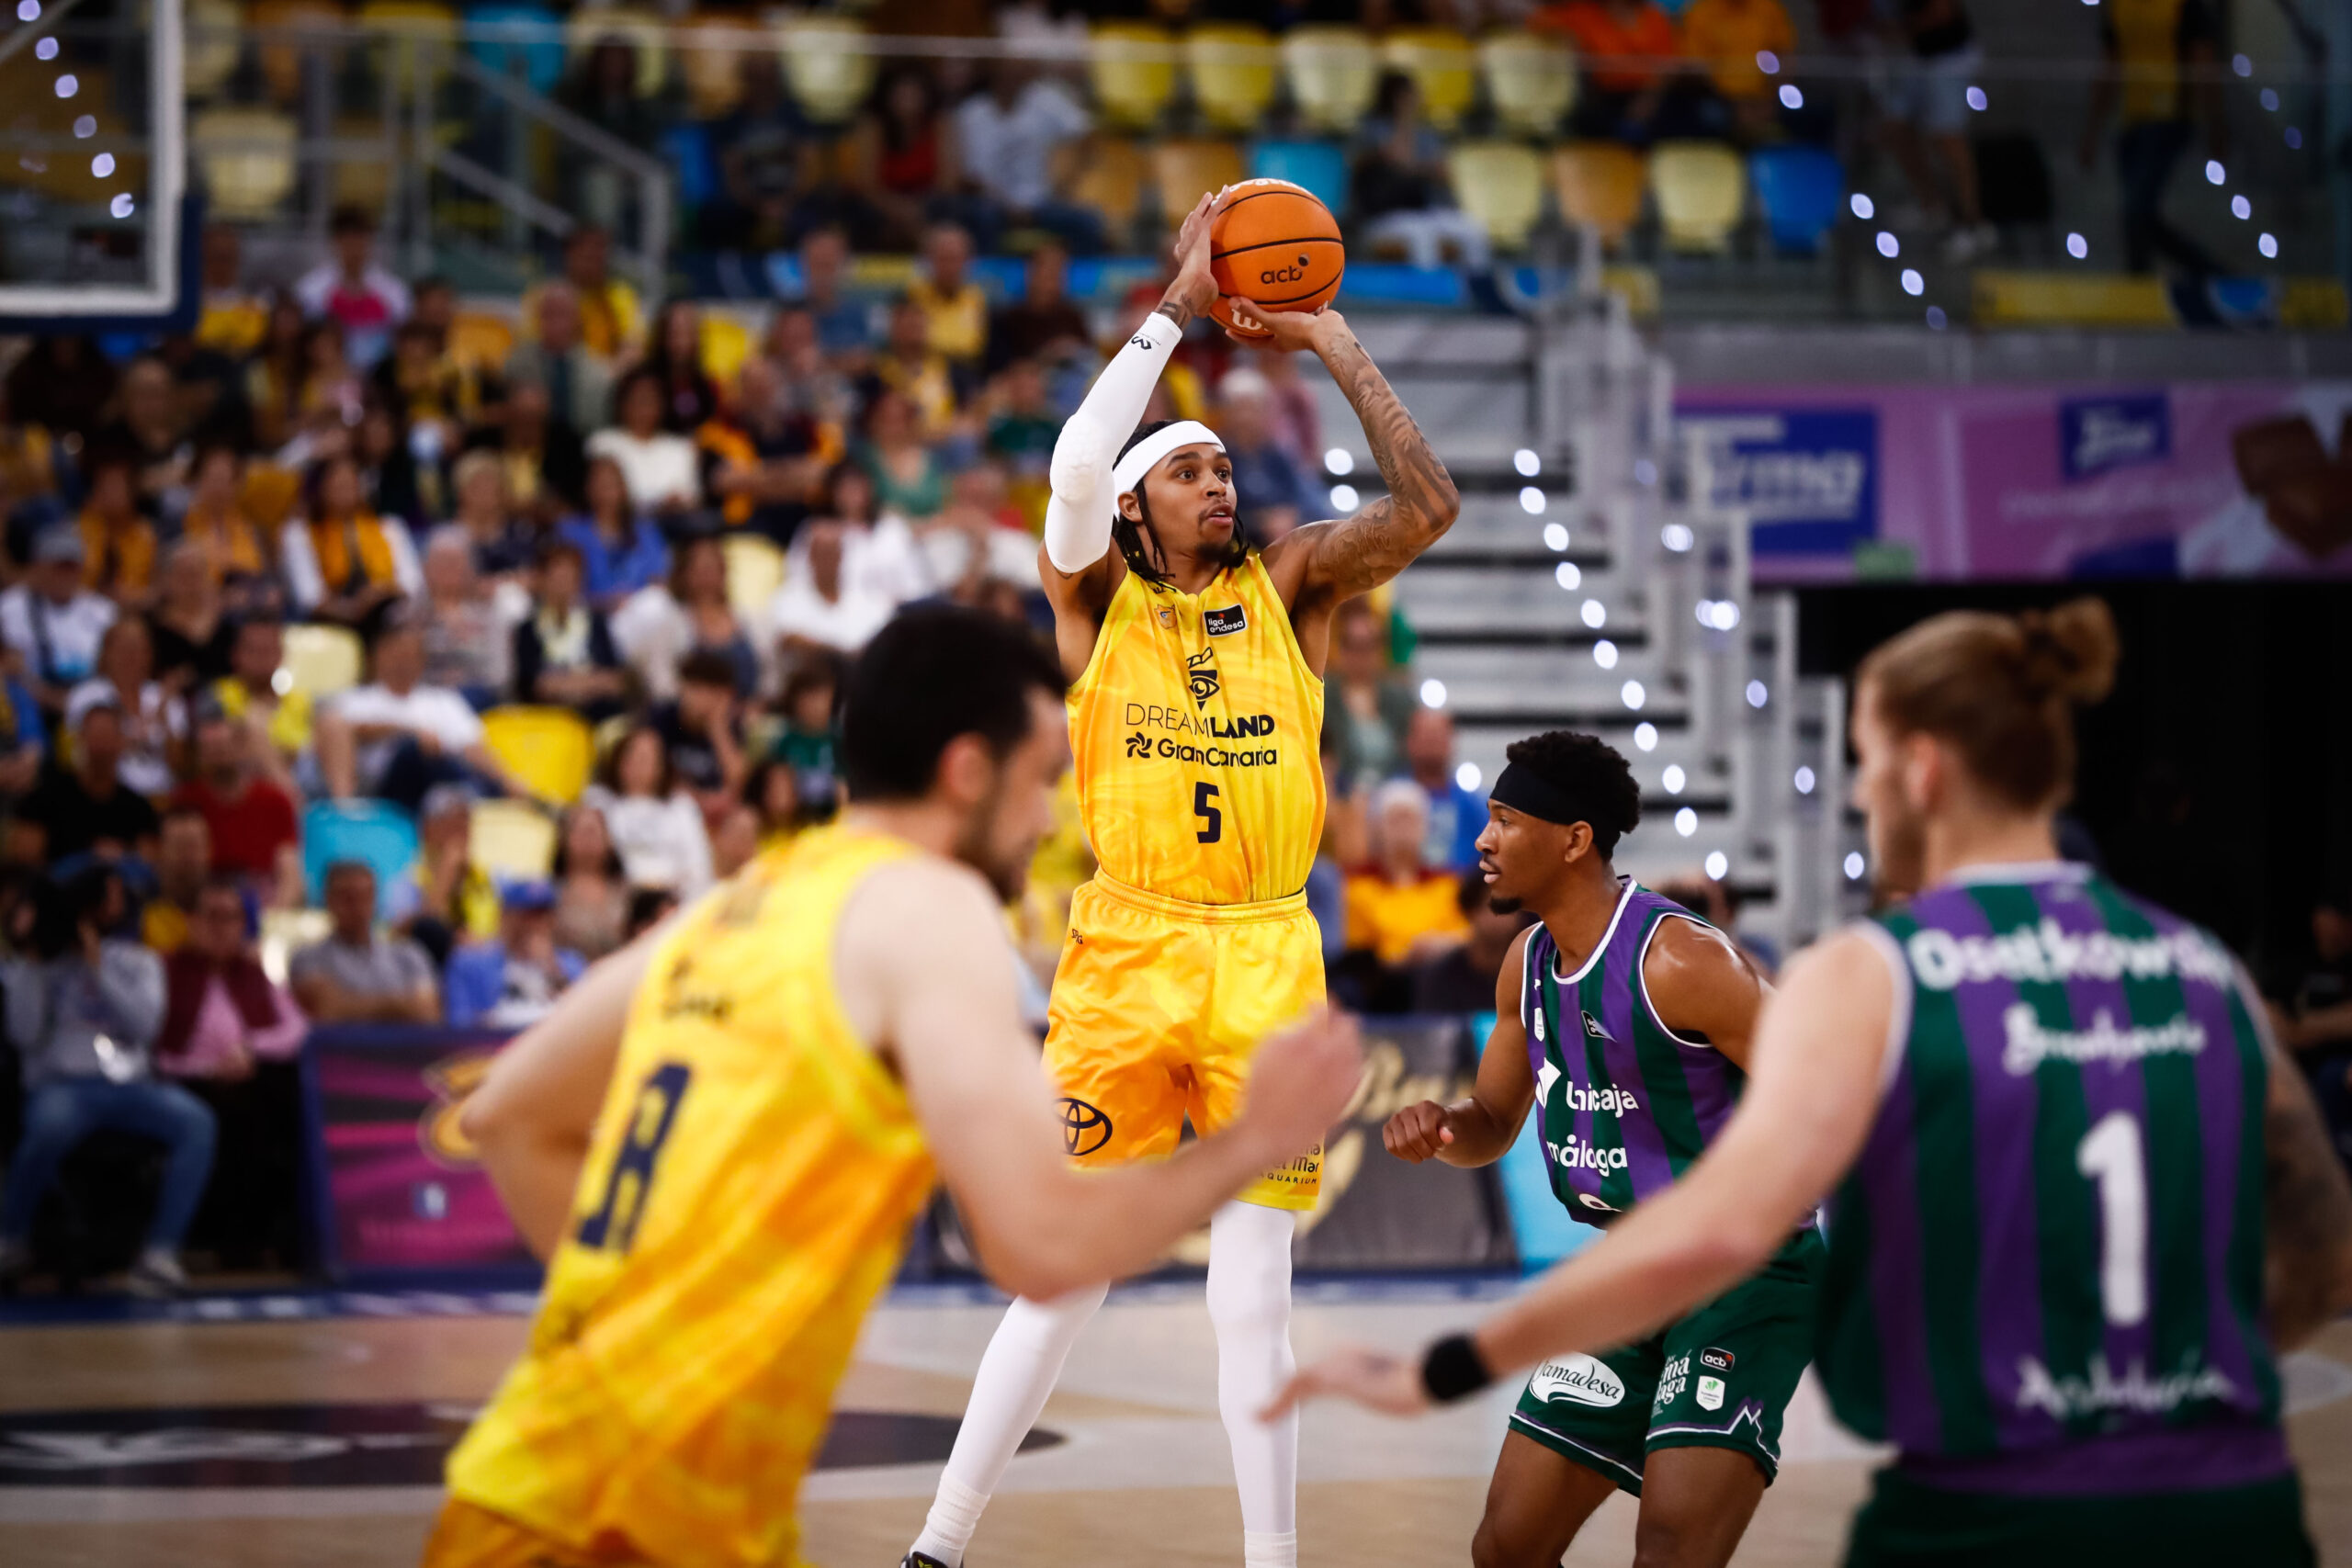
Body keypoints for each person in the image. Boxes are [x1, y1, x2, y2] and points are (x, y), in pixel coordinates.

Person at [1275, 600, 2352, 1568]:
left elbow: (1722, 1222)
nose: (1856, 791)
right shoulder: (2198, 968)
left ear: (1921, 771)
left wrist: (1450, 1367)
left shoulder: (1873, 976)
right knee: (1509, 1542)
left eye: (1864, 761)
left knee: (1671, 1541)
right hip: (2228, 1500)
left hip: (1983, 1485)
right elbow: (2322, 1258)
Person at [424, 604, 1363, 1568]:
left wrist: (649, 1342)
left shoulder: (745, 900)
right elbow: (1044, 1245)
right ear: (967, 771)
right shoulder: (932, 909)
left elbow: (504, 1115)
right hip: (619, 1531)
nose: (1048, 818)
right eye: (1040, 778)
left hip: (529, 1486)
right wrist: (1253, 1142)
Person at [906, 191, 1459, 1568]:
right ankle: (938, 1543)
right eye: (1189, 470)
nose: (1219, 483)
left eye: (1224, 466)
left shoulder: (1294, 583)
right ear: (1138, 507)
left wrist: (1325, 333)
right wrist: (1175, 307)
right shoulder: (1094, 596)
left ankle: (1273, 1559)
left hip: (1267, 953)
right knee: (1068, 1272)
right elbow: (1073, 465)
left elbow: (1430, 506)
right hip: (1129, 953)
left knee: (1253, 1291)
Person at [0, 867, 207, 1297]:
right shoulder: (39, 964)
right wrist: (36, 959)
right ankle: (11, 1238)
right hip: (62, 1087)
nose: (115, 903)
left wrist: (98, 969)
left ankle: (159, 1254)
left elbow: (145, 1027)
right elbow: (23, 1034)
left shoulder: (138, 961)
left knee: (197, 1122)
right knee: (49, 1125)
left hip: (132, 1086)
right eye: (106, 895)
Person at [153, 875, 309, 1269]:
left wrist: (250, 1048)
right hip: (185, 1080)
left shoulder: (253, 972)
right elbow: (152, 1046)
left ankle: (282, 1238)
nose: (221, 927)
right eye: (212, 916)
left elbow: (296, 1029)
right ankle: (214, 1240)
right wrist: (208, 1069)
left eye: (231, 918)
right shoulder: (165, 970)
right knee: (233, 1112)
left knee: (288, 1096)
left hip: (249, 1074)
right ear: (192, 921)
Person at [313, 608, 525, 813]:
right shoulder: (354, 700)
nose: (403, 661)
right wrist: (408, 733)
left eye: (411, 653)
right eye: (397, 652)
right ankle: (346, 812)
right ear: (378, 654)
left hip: (444, 782)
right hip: (383, 790)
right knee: (413, 751)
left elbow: (472, 748)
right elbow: (346, 732)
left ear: (422, 659)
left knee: (461, 773)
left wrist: (508, 782)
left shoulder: (444, 701)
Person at [2080, 0, 2227, 278]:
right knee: (2137, 216)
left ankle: (2212, 274)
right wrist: (2092, 131)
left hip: (2169, 118)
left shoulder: (2182, 6)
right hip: (2132, 122)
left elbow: (2204, 65)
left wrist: (2216, 124)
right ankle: (2145, 279)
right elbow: (2110, 67)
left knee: (2137, 212)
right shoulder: (2120, 7)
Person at [1878, 0, 1996, 264]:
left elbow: (1940, 13)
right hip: (1915, 54)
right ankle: (1931, 206)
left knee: (1947, 136)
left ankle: (1973, 225)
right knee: (1895, 127)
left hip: (1949, 55)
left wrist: (1898, 27)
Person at [944, 60, 1103, 254]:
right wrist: (1003, 203)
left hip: (1040, 204)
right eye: (1005, 73)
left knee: (1087, 223)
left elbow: (1087, 134)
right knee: (979, 217)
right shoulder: (971, 114)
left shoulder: (1046, 104)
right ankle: (985, 273)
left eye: (1017, 73)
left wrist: (1066, 182)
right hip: (990, 203)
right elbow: (963, 174)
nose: (1011, 79)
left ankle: (1077, 276)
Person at [1342, 780, 1472, 1011]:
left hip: (1443, 987)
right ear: (1377, 828)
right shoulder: (1355, 886)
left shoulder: (1449, 884)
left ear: (1426, 827)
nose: (1403, 828)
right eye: (1395, 819)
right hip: (1379, 996)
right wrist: (1404, 957)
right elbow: (1356, 956)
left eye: (1411, 819)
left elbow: (1467, 937)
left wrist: (1442, 946)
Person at [171, 697, 302, 907]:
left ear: (243, 747)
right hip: (204, 903)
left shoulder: (274, 800)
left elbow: (290, 875)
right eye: (211, 749)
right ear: (199, 754)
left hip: (262, 899)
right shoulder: (186, 800)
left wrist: (274, 915)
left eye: (224, 747)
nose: (220, 757)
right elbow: (176, 872)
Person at [7, 700, 162, 866]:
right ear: (80, 738)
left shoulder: (137, 809)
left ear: (121, 742)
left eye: (108, 737)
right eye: (96, 737)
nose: (102, 747)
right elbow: (25, 856)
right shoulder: (45, 798)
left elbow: (151, 862)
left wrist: (123, 856)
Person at [288, 862, 442, 1025]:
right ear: (328, 899)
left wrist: (352, 1004)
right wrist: (400, 1005)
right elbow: (328, 1010)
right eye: (348, 898)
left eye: (365, 896)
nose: (358, 907)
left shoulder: (409, 954)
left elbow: (428, 1012)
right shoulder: (307, 957)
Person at [612, 536, 761, 704]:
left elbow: (767, 673)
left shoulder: (747, 618)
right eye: (700, 570)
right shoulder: (668, 621)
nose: (707, 576)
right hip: (689, 710)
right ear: (683, 575)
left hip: (748, 709)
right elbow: (661, 681)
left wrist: (757, 705)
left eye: (713, 568)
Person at [281, 454, 424, 627]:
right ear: (321, 489)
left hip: (389, 618)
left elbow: (412, 584)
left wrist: (378, 593)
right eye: (338, 485)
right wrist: (354, 609)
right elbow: (310, 598)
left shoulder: (389, 527)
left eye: (352, 483)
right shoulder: (300, 533)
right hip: (329, 623)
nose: (346, 491)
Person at [0, 527, 118, 718]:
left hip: (91, 706)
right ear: (38, 568)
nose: (65, 576)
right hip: (30, 705)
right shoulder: (10, 608)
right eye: (58, 568)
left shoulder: (103, 611)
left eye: (71, 568)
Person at [586, 724, 715, 896]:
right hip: (615, 897)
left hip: (673, 898)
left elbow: (698, 864)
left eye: (646, 758)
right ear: (618, 760)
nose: (637, 765)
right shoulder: (599, 802)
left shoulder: (681, 808)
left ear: (661, 766)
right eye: (631, 756)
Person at [389, 783, 501, 970]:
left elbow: (498, 934)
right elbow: (416, 936)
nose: (463, 834)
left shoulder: (488, 878)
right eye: (453, 825)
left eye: (466, 823)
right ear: (428, 830)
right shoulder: (407, 883)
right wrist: (446, 875)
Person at [444, 881, 585, 1029]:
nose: (536, 924)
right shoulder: (470, 964)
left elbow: (583, 1021)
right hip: (499, 1040)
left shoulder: (571, 965)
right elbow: (460, 1024)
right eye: (527, 916)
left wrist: (552, 967)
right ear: (506, 916)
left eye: (543, 915)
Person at [66, 617, 182, 798]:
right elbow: (80, 755)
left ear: (150, 655)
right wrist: (137, 735)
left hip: (163, 795)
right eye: (124, 648)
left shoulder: (163, 696)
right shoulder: (87, 696)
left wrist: (165, 719)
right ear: (106, 653)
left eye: (139, 649)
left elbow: (181, 765)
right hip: (109, 796)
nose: (131, 656)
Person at [514, 539, 628, 722]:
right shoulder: (527, 629)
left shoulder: (596, 623)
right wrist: (591, 681)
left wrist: (565, 683)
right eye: (557, 577)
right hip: (546, 719)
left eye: (571, 576)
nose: (564, 584)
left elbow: (615, 680)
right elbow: (536, 685)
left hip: (596, 714)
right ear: (542, 579)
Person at [295, 205, 412, 368]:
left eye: (360, 240)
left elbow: (404, 335)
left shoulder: (393, 290)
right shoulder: (310, 289)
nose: (354, 249)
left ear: (370, 242)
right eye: (347, 241)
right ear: (335, 242)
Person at [1322, 596, 1417, 792]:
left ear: (1380, 650)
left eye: (1368, 646)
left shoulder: (1399, 697)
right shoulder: (1324, 696)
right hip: (1340, 788)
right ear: (1342, 649)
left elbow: (1410, 751)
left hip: (1393, 790)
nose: (1361, 656)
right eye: (1354, 646)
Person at [765, 520, 894, 656]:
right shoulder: (788, 597)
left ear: (841, 555)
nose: (828, 560)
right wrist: (843, 655)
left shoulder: (864, 597)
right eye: (822, 553)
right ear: (811, 556)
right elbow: (790, 638)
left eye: (833, 552)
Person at [557, 455, 670, 610]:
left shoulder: (645, 532)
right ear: (588, 489)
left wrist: (633, 601)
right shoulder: (570, 532)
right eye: (600, 485)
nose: (606, 492)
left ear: (623, 489)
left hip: (638, 612)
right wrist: (605, 602)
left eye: (611, 485)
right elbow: (561, 587)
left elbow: (659, 581)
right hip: (588, 612)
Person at [1411, 870, 1532, 1012]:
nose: (1502, 917)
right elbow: (1431, 1024)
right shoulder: (1441, 977)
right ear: (1470, 912)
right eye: (1493, 907)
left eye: (1510, 907)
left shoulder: (1534, 975)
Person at [1216, 367, 1315, 544]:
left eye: (1253, 409)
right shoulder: (1216, 458)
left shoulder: (1279, 455)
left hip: (1285, 538)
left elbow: (1310, 499)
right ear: (1225, 413)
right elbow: (1212, 510)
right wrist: (1261, 522)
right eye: (1239, 409)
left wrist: (1292, 516)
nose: (1246, 418)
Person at [504, 284, 616, 439]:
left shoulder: (598, 370)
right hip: (535, 445)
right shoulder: (518, 363)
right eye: (549, 313)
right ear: (538, 317)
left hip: (583, 442)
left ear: (577, 319)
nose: (556, 322)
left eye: (563, 314)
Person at [589, 370, 703, 519]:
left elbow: (692, 499)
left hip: (673, 526)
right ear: (622, 403)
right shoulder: (603, 443)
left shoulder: (681, 448)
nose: (643, 408)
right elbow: (601, 497)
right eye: (638, 400)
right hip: (621, 527)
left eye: (650, 400)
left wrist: (676, 504)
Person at [418, 531, 514, 708]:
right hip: (423, 700)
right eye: (441, 562)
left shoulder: (489, 615)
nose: (448, 569)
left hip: (477, 700)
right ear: (425, 568)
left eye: (455, 563)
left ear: (470, 570)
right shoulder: (407, 614)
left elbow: (500, 675)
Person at [1400, 704, 1485, 871]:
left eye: (1438, 736)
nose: (1432, 743)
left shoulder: (1473, 805)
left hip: (1460, 884)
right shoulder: (1392, 801)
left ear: (1451, 742)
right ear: (1409, 742)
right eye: (1426, 736)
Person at [147, 538, 238, 692]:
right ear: (165, 578)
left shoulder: (228, 623)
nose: (190, 583)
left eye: (196, 574)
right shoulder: (151, 628)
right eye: (182, 574)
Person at [75, 455, 160, 606]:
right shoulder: (78, 530)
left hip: (132, 609)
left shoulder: (145, 534)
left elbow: (155, 591)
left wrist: (130, 598)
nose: (110, 492)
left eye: (116, 486)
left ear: (131, 492)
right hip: (85, 608)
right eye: (104, 486)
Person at [549, 805, 628, 961]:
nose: (587, 840)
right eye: (580, 833)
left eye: (593, 832)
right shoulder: (549, 894)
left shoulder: (628, 894)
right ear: (563, 840)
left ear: (608, 840)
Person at [909, 221, 988, 372]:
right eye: (943, 259)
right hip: (924, 373)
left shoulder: (976, 298)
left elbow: (978, 346)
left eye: (956, 259)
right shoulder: (914, 296)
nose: (950, 267)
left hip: (968, 373)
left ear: (968, 261)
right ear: (929, 260)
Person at [140, 808, 214, 953]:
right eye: (179, 845)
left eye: (194, 845)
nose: (188, 855)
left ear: (209, 849)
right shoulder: (139, 906)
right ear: (159, 851)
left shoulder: (232, 904)